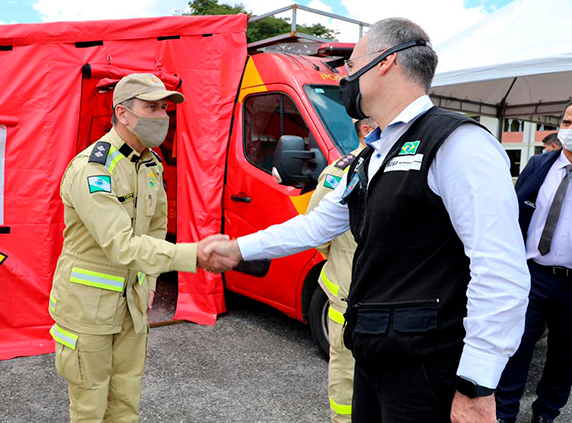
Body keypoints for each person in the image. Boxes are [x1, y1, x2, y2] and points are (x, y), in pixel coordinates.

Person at [203, 17, 530, 423]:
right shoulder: (371, 154)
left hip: (427, 370)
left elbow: (500, 271)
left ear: (386, 62)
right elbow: (318, 224)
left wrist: (477, 387)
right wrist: (238, 248)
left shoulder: (459, 144)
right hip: (375, 358)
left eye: (352, 65)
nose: (345, 77)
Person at [49, 73, 232, 423]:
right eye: (151, 107)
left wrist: (148, 281)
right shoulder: (94, 169)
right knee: (90, 409)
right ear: (122, 113)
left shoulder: (151, 163)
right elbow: (121, 245)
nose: (161, 116)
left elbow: (156, 228)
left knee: (126, 404)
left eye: (164, 108)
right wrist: (193, 255)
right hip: (88, 310)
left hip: (130, 304)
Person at [495, 101, 572, 423]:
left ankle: (546, 413)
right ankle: (504, 412)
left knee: (564, 354)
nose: (569, 128)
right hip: (532, 275)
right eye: (567, 121)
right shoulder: (539, 164)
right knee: (517, 345)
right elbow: (514, 215)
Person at [306, 117, 375, 423]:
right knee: (346, 376)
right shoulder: (341, 171)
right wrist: (342, 260)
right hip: (348, 295)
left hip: (390, 300)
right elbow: (316, 227)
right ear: (366, 129)